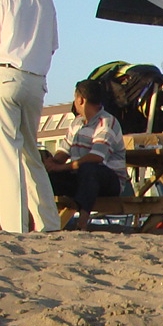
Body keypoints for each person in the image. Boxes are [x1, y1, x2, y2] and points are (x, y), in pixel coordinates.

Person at [0, 0, 62, 234]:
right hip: (36, 80)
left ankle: (15, 224)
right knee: (30, 153)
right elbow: (52, 46)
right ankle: (48, 221)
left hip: (6, 74)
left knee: (7, 153)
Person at [46, 77, 128, 231]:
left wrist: (61, 167)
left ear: (81, 100)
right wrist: (51, 163)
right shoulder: (76, 123)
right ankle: (44, 218)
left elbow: (96, 157)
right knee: (46, 176)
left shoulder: (106, 121)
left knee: (89, 168)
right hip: (80, 177)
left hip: (108, 180)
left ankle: (83, 220)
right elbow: (64, 151)